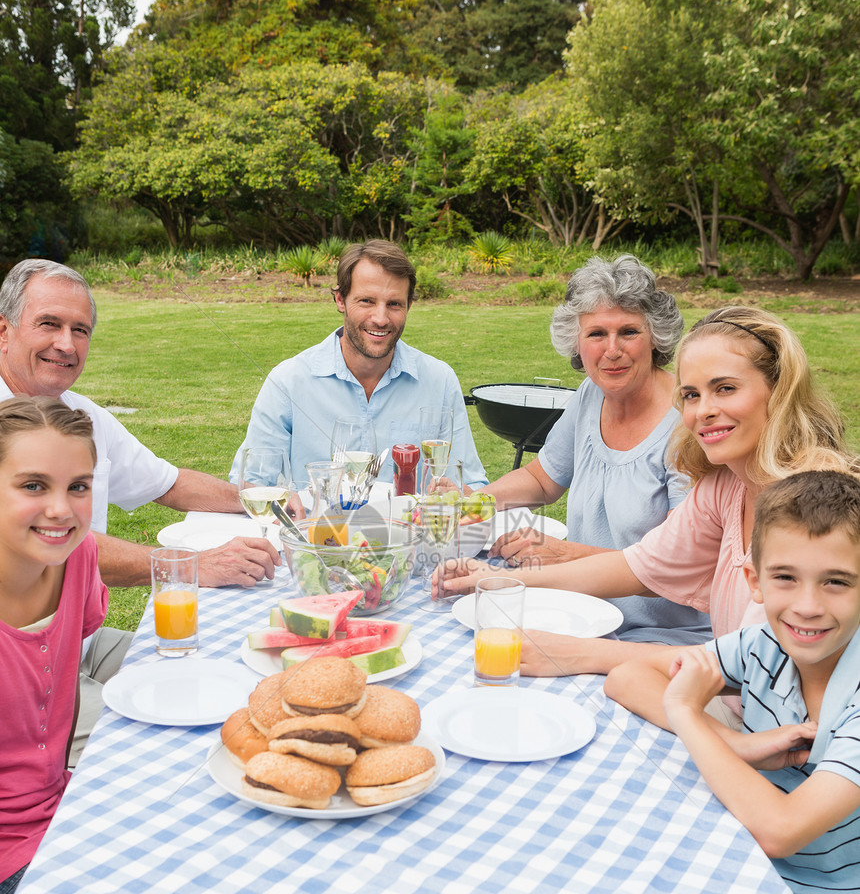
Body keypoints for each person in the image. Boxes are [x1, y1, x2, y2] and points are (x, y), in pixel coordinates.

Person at [442, 306, 854, 692]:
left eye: (725, 388)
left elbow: (759, 668)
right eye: (691, 395)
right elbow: (636, 565)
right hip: (732, 697)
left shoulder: (815, 510)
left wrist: (585, 653)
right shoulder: (726, 485)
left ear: (779, 391)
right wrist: (493, 581)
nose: (703, 411)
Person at [0, 259, 279, 758]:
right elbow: (52, 545)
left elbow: (167, 483)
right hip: (18, 672)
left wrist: (263, 501)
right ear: (4, 330)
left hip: (78, 641)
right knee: (159, 744)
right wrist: (188, 568)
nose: (66, 343)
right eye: (49, 324)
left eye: (79, 329)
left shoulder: (81, 416)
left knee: (222, 678)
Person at [609, 471, 860, 894]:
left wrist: (686, 713)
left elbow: (781, 830)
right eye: (785, 578)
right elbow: (627, 677)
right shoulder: (763, 642)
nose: (808, 605)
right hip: (747, 877)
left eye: (836, 581)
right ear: (754, 581)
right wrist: (737, 744)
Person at [463, 254, 710, 643]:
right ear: (577, 342)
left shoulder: (688, 422)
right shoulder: (590, 395)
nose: (612, 350)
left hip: (659, 635)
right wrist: (470, 504)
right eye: (596, 334)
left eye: (628, 331)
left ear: (656, 337)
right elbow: (542, 480)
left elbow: (680, 567)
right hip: (582, 615)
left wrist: (561, 555)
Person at [232, 240, 487, 496]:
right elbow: (248, 485)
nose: (381, 318)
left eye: (394, 304)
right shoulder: (288, 381)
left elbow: (470, 485)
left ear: (409, 305)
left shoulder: (439, 380)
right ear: (340, 300)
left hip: (410, 533)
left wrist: (458, 494)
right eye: (366, 301)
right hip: (319, 532)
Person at [0, 395, 108, 894]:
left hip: (62, 810)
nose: (61, 509)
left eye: (78, 487)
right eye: (33, 485)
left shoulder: (79, 557)